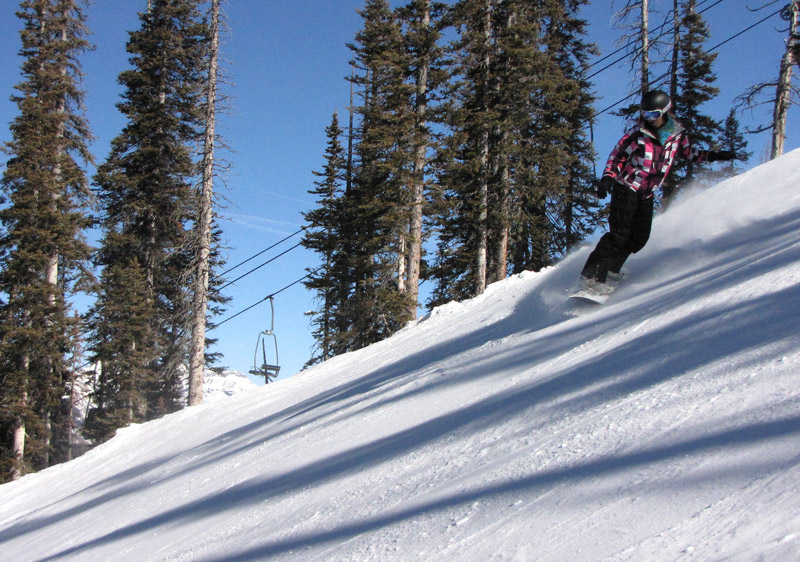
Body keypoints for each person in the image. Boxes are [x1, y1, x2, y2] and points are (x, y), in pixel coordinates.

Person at [579, 89, 734, 296]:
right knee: (619, 235)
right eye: (645, 114)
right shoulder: (637, 135)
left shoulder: (677, 135)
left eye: (653, 115)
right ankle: (591, 276)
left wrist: (714, 156)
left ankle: (612, 269)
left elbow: (691, 154)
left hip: (647, 193)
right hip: (627, 187)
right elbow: (616, 157)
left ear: (665, 112)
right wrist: (607, 178)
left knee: (639, 238)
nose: (649, 119)